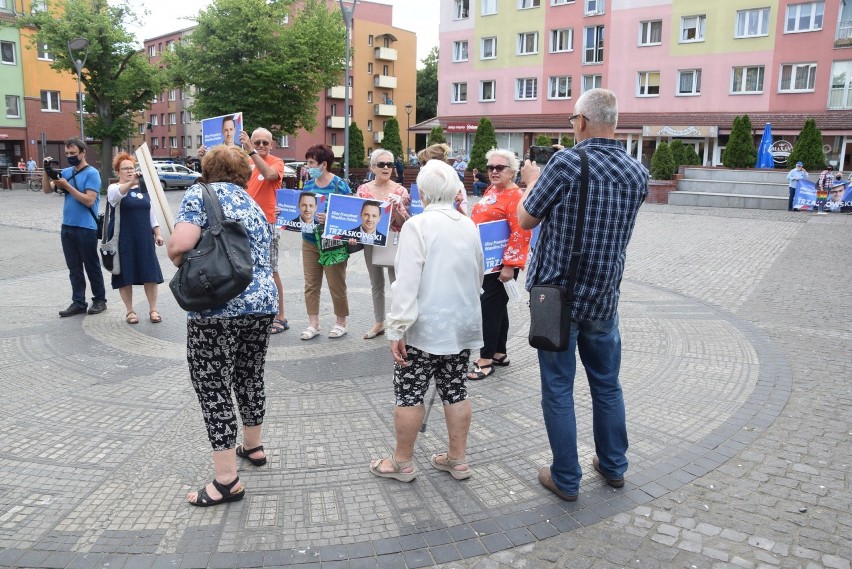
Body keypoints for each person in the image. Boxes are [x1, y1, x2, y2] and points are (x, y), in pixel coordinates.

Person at [518, 88, 648, 501]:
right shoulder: (637, 171)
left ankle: (566, 479)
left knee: (558, 388)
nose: (571, 126)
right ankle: (613, 467)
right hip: (605, 295)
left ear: (583, 121)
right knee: (607, 385)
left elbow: (524, 219)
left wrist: (533, 182)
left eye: (572, 119)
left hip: (556, 296)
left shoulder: (567, 162)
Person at [168, 145, 278, 507]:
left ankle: (226, 481)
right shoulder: (252, 203)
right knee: (249, 374)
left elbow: (180, 245)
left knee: (213, 384)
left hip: (218, 305)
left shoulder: (200, 193)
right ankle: (254, 446)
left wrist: (171, 249)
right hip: (261, 304)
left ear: (208, 169)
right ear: (243, 173)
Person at [369, 159, 484, 482]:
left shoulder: (418, 226)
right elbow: (478, 277)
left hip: (424, 326)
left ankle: (402, 462)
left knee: (409, 393)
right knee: (456, 390)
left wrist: (397, 328)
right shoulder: (468, 224)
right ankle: (458, 459)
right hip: (461, 324)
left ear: (423, 193)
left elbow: (407, 283)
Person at [467, 149, 532, 381]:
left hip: (500, 264)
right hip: (486, 261)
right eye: (490, 167)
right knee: (498, 307)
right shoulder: (492, 190)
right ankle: (499, 352)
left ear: (512, 172)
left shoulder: (516, 196)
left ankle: (484, 360)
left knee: (488, 309)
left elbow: (522, 230)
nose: (493, 171)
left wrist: (510, 265)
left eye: (499, 168)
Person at [42, 137, 107, 317]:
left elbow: (89, 200)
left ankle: (100, 300)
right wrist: (46, 172)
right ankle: (78, 302)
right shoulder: (67, 171)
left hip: (86, 227)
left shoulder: (92, 173)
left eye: (73, 153)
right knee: (74, 267)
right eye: (67, 153)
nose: (70, 156)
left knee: (91, 265)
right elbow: (47, 190)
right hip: (67, 226)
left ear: (83, 152)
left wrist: (67, 186)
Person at [356, 149, 411, 339]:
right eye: (382, 164)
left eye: (390, 164)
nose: (386, 167)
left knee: (397, 282)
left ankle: (398, 323)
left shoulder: (400, 191)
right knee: (376, 283)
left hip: (394, 240)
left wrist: (397, 208)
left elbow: (405, 223)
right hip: (371, 241)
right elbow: (357, 219)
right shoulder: (363, 190)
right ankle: (379, 322)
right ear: (373, 167)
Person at [240, 127, 289, 334]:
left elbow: (269, 175)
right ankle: (253, 312)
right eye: (256, 142)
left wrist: (251, 151)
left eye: (264, 143)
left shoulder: (276, 162)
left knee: (271, 269)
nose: (260, 146)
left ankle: (281, 316)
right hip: (243, 223)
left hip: (267, 223)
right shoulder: (243, 161)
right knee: (244, 269)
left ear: (272, 144)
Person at [300, 143, 352, 340]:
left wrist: (329, 217)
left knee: (336, 284)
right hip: (309, 240)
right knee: (311, 284)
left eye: (311, 162)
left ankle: (341, 322)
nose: (308, 166)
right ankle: (314, 323)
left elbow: (350, 214)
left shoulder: (339, 185)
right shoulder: (308, 185)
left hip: (333, 242)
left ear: (323, 164)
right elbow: (301, 210)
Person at [106, 153, 164, 324]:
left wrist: (158, 233)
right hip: (123, 238)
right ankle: (130, 311)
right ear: (118, 171)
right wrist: (130, 183)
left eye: (131, 168)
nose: (129, 171)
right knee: (125, 274)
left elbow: (151, 213)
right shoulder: (114, 188)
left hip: (144, 238)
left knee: (150, 273)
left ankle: (153, 309)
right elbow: (117, 196)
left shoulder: (143, 189)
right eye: (125, 169)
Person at [417, 144, 469, 215]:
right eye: (421, 164)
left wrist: (458, 206)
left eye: (424, 163)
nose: (422, 167)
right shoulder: (423, 183)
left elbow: (464, 217)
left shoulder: (456, 185)